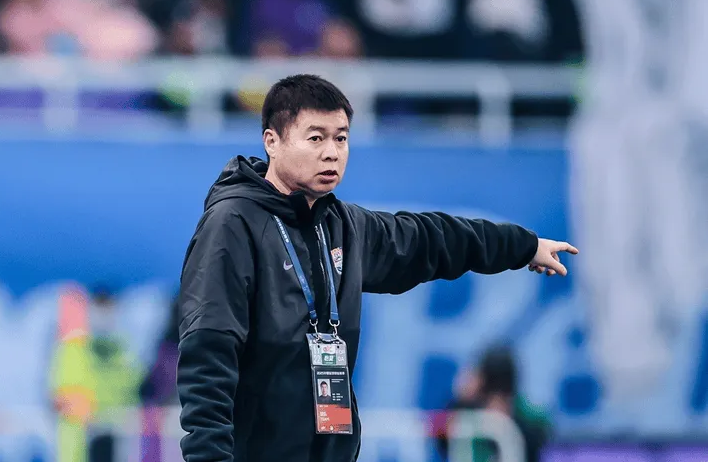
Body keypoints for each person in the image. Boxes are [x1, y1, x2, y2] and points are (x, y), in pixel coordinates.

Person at [176, 74, 578, 462]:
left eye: (341, 138)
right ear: (272, 142)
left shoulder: (342, 226)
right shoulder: (232, 225)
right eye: (315, 138)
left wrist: (523, 246)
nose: (331, 152)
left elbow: (431, 239)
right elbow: (208, 357)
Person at [433, 346, 551, 462]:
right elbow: (440, 441)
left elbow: (540, 449)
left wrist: (506, 422)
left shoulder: (530, 415)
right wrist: (459, 399)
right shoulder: (466, 409)